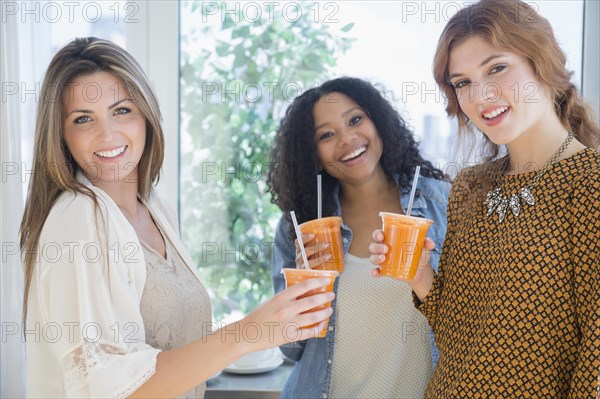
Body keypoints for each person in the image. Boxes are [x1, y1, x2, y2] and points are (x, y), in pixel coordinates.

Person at [19, 37, 335, 398]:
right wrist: (249, 332)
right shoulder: (77, 218)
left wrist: (282, 313)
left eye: (121, 110)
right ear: (61, 135)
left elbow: (177, 350)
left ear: (146, 114)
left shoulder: (155, 206)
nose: (107, 134)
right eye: (82, 119)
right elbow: (110, 388)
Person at [369, 0, 599, 397]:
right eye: (462, 83)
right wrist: (420, 275)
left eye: (496, 68)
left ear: (541, 63)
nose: (481, 95)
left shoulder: (589, 181)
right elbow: (457, 333)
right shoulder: (470, 186)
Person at [267, 77, 451, 399]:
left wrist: (426, 281)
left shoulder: (443, 205)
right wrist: (302, 292)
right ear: (313, 153)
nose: (347, 139)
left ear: (376, 121)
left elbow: (471, 326)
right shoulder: (299, 228)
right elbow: (290, 351)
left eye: (355, 120)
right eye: (326, 134)